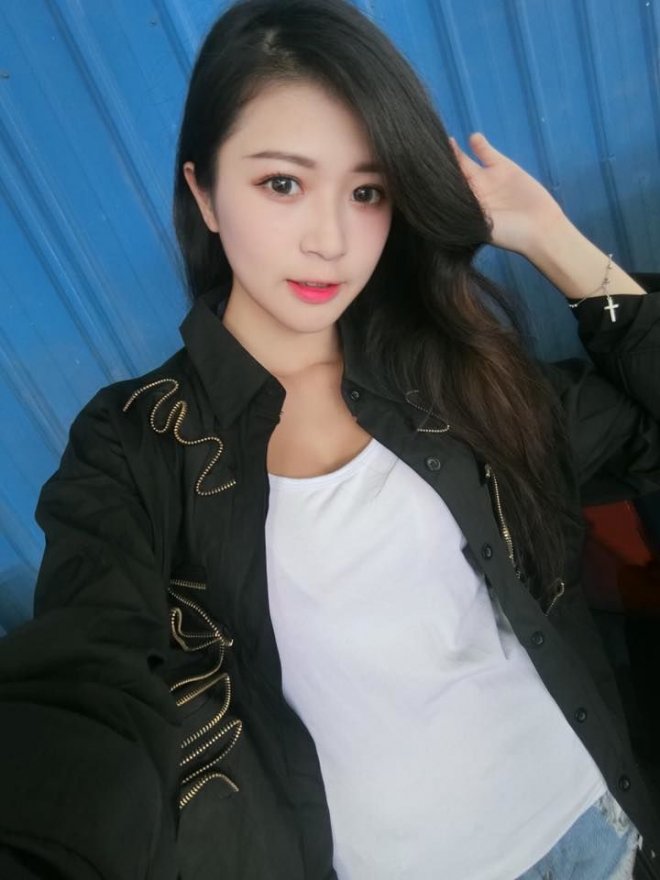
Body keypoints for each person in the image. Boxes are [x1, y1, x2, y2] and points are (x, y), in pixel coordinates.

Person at [0, 0, 658, 877]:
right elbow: (88, 695)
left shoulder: (448, 371)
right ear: (203, 192)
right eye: (283, 184)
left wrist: (552, 238)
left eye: (367, 191)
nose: (331, 240)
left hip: (596, 830)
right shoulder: (136, 446)